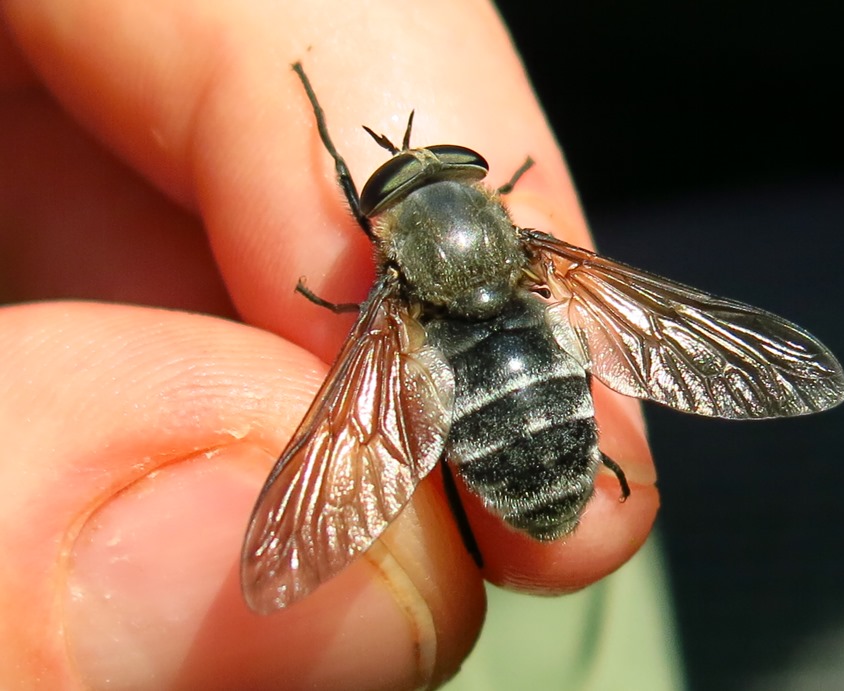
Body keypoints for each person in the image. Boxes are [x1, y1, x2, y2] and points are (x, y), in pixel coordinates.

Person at [0, 1, 663, 687]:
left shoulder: (390, 282)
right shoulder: (531, 247)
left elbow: (374, 403)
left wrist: (320, 122)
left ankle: (489, 516)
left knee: (409, 415)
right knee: (550, 336)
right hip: (543, 399)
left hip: (500, 418)